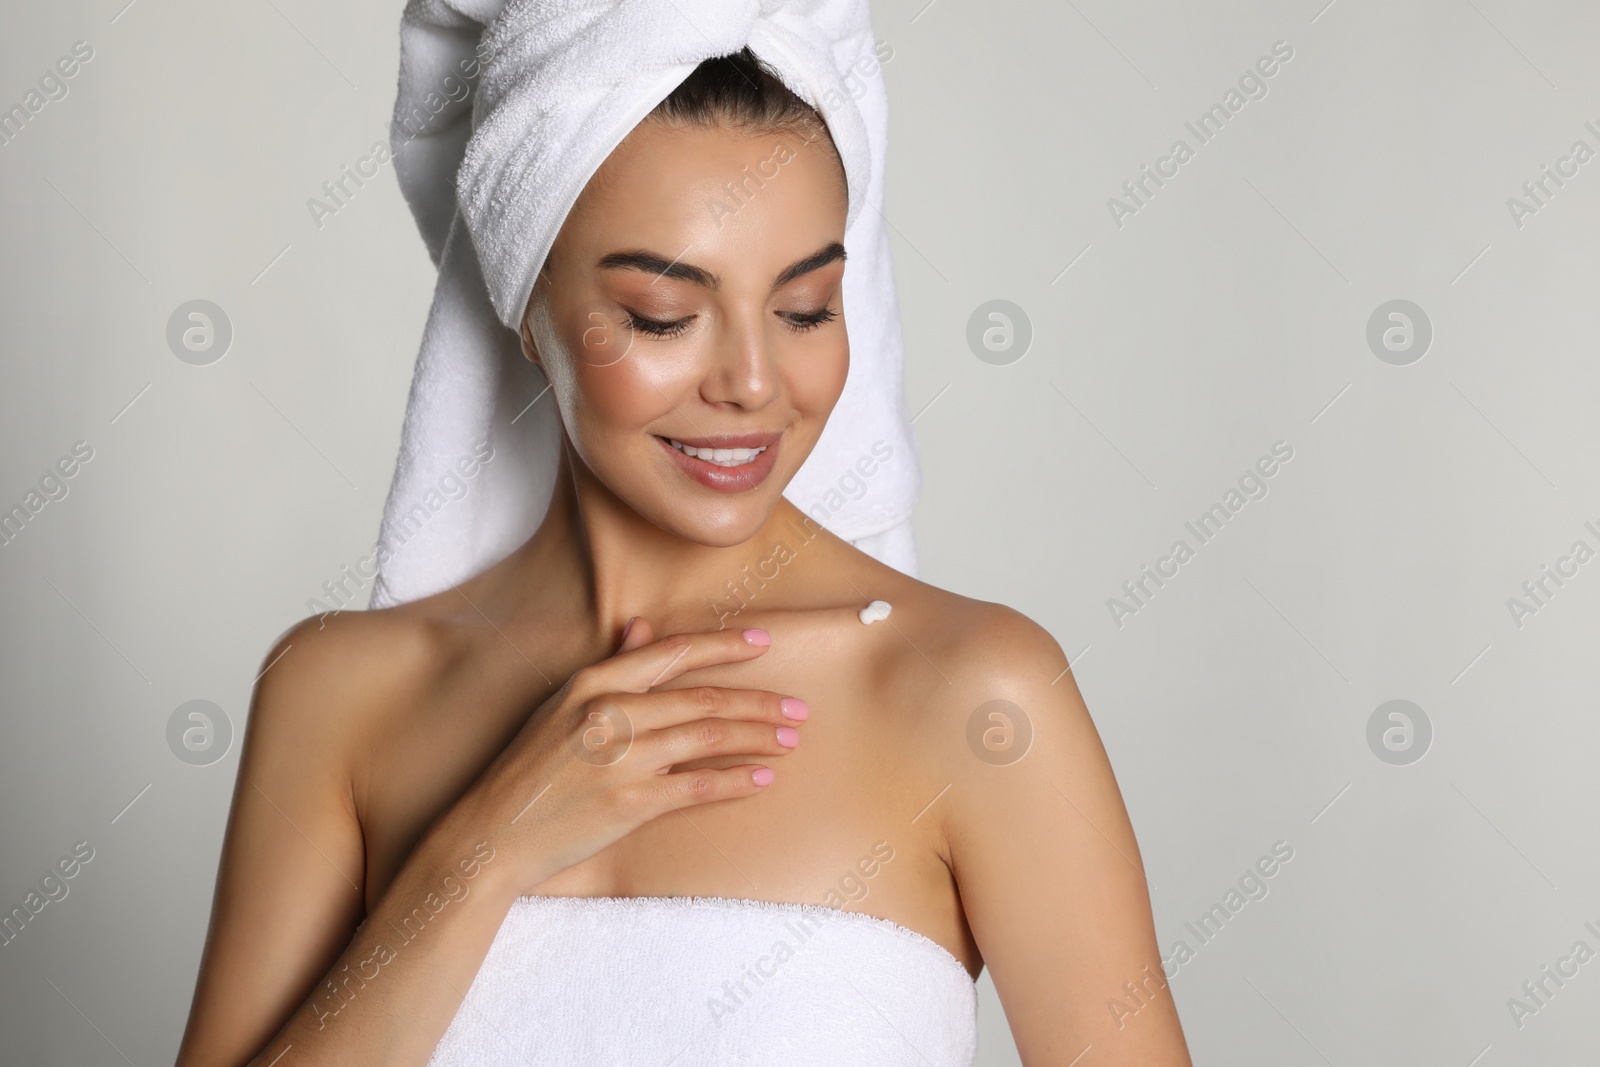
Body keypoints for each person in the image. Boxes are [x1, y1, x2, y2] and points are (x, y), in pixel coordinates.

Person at [174, 45, 1191, 1067]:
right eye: (664, 315)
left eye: (804, 310)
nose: (752, 381)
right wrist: (481, 854)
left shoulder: (971, 695)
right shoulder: (342, 693)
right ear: (527, 308)